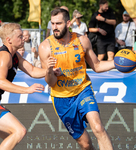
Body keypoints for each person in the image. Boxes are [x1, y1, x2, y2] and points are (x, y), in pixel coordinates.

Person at [0, 23, 59, 150]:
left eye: (23, 35)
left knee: (12, 136)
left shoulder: (15, 55)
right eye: (20, 36)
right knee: (19, 131)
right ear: (9, 40)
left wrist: (50, 71)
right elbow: (1, 83)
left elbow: (33, 70)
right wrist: (27, 90)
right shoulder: (3, 55)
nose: (23, 38)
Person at [39, 8, 114, 150]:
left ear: (68, 23)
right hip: (62, 98)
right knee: (85, 144)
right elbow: (51, 83)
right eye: (53, 23)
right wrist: (49, 71)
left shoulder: (82, 40)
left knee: (98, 127)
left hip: (82, 90)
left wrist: (117, 63)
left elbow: (97, 66)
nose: (54, 27)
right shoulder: (45, 47)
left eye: (58, 23)